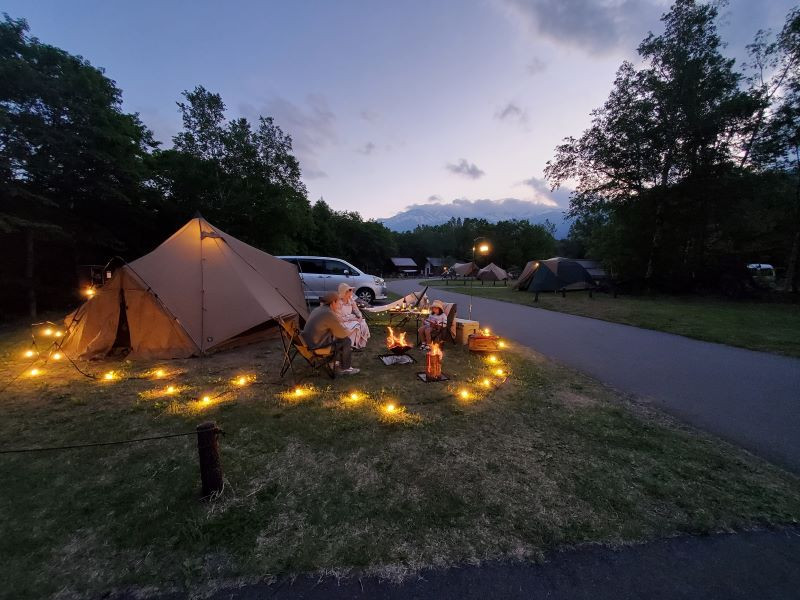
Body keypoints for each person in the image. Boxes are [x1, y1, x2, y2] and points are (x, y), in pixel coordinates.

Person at [301, 292, 360, 375]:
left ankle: (331, 362)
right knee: (346, 341)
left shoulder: (318, 309)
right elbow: (342, 334)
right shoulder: (328, 313)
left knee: (335, 337)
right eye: (338, 303)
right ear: (333, 303)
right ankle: (345, 368)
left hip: (308, 341)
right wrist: (352, 329)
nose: (339, 305)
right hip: (317, 346)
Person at [333, 283, 370, 349]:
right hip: (342, 321)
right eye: (350, 290)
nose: (352, 292)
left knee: (363, 323)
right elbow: (338, 318)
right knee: (356, 326)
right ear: (345, 292)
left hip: (351, 319)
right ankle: (350, 344)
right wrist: (352, 319)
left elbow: (356, 310)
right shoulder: (338, 302)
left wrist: (359, 317)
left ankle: (358, 342)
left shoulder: (351, 300)